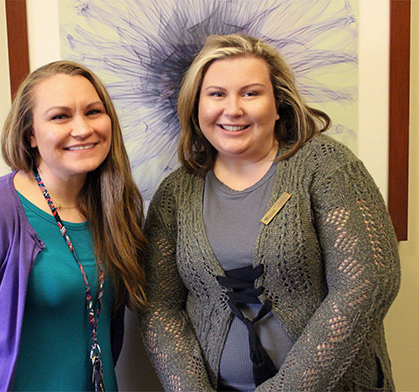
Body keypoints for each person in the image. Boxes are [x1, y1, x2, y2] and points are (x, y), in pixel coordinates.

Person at [139, 33, 400, 392]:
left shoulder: (328, 168)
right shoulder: (174, 194)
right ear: (196, 107)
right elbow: (160, 307)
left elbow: (369, 283)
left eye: (251, 93)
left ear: (277, 104)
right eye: (217, 94)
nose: (233, 109)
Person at [0, 60, 147, 391]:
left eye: (93, 112)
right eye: (60, 116)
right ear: (30, 134)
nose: (82, 128)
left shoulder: (116, 208)